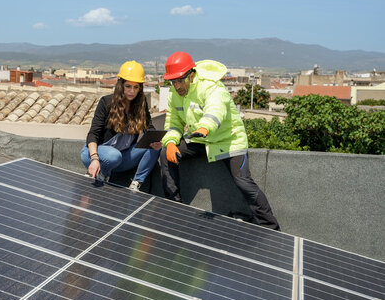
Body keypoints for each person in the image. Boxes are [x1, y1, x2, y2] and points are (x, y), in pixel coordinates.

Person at [160, 52, 280, 230]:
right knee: (165, 154)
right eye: (173, 81)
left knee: (243, 181)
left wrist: (205, 127)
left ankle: (271, 227)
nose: (177, 85)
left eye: (180, 80)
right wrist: (170, 142)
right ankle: (175, 206)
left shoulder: (212, 87)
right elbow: (174, 122)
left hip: (228, 140)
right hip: (201, 140)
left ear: (191, 74)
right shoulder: (174, 94)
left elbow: (215, 109)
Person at [81, 60, 162, 191]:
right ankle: (102, 174)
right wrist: (95, 158)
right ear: (121, 85)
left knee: (155, 147)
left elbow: (149, 128)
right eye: (128, 86)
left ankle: (136, 183)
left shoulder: (141, 105)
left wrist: (156, 141)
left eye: (136, 87)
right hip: (95, 154)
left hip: (122, 158)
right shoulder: (106, 103)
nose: (132, 91)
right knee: (113, 155)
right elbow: (93, 134)